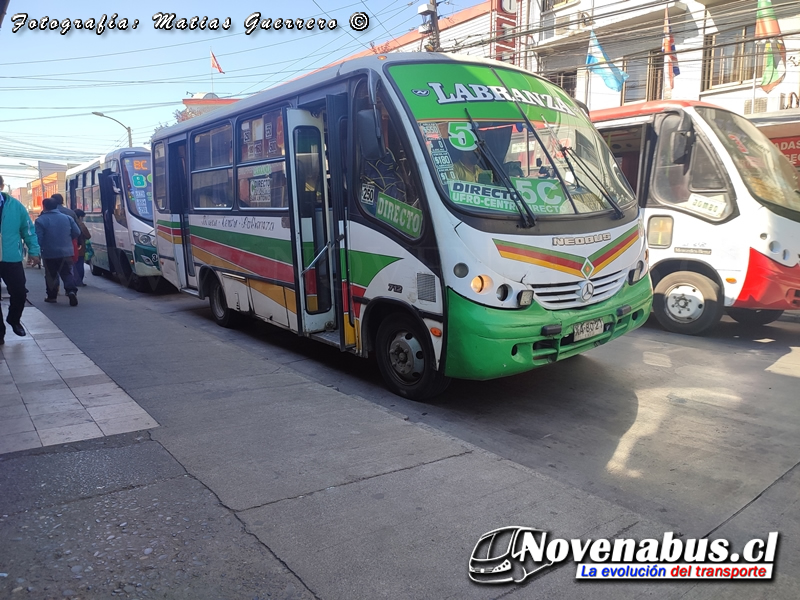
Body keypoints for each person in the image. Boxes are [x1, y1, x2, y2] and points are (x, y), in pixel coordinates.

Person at [0, 175, 42, 343]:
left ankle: (14, 319)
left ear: (1, 185)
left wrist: (34, 251)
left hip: (11, 257)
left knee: (19, 292)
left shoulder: (15, 206)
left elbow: (28, 230)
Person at [35, 197, 80, 306]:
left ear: (44, 207)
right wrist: (68, 239)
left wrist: (37, 251)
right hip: (66, 252)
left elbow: (38, 238)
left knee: (51, 275)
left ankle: (52, 297)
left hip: (49, 252)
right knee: (67, 273)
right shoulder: (67, 218)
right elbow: (77, 232)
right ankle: (71, 291)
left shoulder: (40, 220)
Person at [73, 209, 91, 286]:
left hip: (71, 248)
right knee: (79, 265)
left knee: (73, 265)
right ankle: (79, 281)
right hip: (80, 248)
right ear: (80, 217)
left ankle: (73, 281)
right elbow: (88, 236)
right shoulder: (81, 225)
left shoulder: (71, 223)